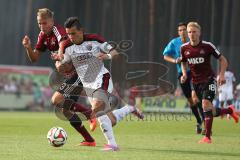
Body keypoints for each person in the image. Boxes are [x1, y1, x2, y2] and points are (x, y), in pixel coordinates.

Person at [54, 17, 144, 151]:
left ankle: (112, 145)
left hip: (102, 77)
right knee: (111, 121)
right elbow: (67, 67)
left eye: (73, 33)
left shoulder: (95, 39)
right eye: (68, 34)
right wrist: (60, 66)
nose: (70, 37)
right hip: (87, 84)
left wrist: (106, 56)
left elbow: (115, 53)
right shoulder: (67, 46)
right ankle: (130, 108)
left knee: (97, 108)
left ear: (81, 31)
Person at [22, 8, 96, 146]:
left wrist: (60, 56)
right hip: (71, 73)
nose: (42, 26)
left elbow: (62, 42)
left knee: (56, 100)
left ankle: (90, 113)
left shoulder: (57, 30)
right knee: (66, 111)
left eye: (45, 23)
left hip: (80, 70)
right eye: (39, 23)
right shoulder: (42, 35)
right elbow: (34, 58)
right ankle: (89, 140)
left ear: (52, 21)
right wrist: (28, 47)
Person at [180, 22, 239, 144]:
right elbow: (183, 62)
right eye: (189, 32)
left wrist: (221, 74)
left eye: (194, 32)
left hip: (209, 79)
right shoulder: (184, 48)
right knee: (209, 110)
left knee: (206, 104)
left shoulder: (207, 46)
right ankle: (229, 110)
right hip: (195, 82)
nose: (192, 34)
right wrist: (185, 74)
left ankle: (207, 137)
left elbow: (223, 59)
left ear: (199, 33)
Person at [163, 22, 204, 134]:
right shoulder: (174, 42)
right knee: (191, 101)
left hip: (195, 73)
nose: (182, 32)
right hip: (182, 73)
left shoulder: (193, 41)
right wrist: (175, 60)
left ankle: (205, 122)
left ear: (188, 30)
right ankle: (199, 121)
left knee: (195, 98)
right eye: (180, 30)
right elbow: (165, 55)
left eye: (184, 30)